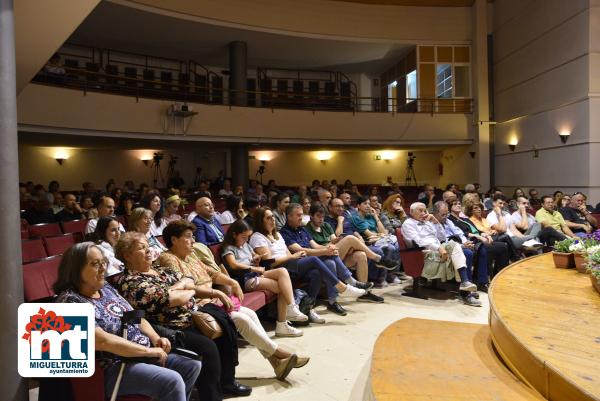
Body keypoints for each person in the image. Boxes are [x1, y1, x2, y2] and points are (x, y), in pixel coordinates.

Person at [158, 221, 309, 380]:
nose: (193, 241)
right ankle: (280, 353)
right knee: (240, 319)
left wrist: (232, 282)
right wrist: (215, 293)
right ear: (174, 240)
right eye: (188, 237)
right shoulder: (168, 259)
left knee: (250, 313)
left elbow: (212, 272)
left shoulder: (190, 256)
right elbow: (185, 289)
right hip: (196, 307)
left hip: (212, 302)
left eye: (193, 236)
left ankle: (276, 363)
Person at [54, 242, 201, 401]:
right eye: (95, 264)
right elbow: (101, 341)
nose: (103, 268)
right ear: (75, 269)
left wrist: (155, 338)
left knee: (191, 365)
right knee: (172, 381)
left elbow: (135, 315)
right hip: (110, 368)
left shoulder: (106, 289)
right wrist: (148, 351)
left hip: (137, 356)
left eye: (104, 262)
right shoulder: (69, 301)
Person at [115, 232, 250, 399]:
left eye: (148, 246)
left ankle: (227, 382)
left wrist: (206, 291)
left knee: (225, 326)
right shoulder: (130, 281)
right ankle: (211, 396)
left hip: (191, 315)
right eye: (142, 248)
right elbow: (170, 300)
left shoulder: (159, 270)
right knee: (207, 347)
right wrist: (185, 290)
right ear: (127, 255)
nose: (149, 250)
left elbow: (189, 281)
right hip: (169, 327)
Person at [221, 219, 308, 336]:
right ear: (234, 234)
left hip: (255, 274)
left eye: (248, 237)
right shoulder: (228, 248)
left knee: (282, 272)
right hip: (245, 279)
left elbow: (254, 256)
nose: (246, 240)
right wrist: (253, 268)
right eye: (243, 237)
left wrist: (257, 258)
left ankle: (291, 308)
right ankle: (283, 324)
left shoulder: (245, 245)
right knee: (282, 287)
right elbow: (233, 264)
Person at [280, 203, 369, 316]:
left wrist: (329, 248)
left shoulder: (302, 229)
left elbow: (315, 246)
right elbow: (302, 251)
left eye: (301, 215)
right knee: (318, 258)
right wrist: (325, 251)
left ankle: (324, 303)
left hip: (311, 262)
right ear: (289, 216)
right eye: (298, 215)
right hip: (296, 264)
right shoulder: (284, 232)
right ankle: (346, 285)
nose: (301, 218)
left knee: (330, 261)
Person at [305, 204, 387, 303]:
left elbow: (333, 240)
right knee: (350, 239)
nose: (321, 219)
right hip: (322, 257)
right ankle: (377, 259)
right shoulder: (307, 229)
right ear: (311, 216)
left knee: (361, 255)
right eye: (318, 216)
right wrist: (332, 245)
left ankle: (365, 293)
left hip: (334, 254)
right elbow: (314, 248)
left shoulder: (326, 225)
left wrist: (338, 240)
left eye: (323, 217)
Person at [401, 202, 478, 292]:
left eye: (425, 210)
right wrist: (438, 248)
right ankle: (464, 284)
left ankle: (464, 283)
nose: (423, 213)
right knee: (459, 249)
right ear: (411, 212)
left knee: (455, 245)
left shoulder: (427, 223)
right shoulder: (408, 224)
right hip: (423, 251)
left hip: (438, 248)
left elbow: (442, 237)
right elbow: (418, 242)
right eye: (420, 210)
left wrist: (435, 221)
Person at [432, 201, 486, 305]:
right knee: (468, 253)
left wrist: (466, 242)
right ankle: (466, 292)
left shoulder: (447, 221)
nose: (445, 217)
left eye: (447, 214)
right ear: (435, 213)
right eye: (443, 214)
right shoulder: (432, 224)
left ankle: (482, 283)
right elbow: (442, 241)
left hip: (459, 244)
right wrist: (462, 246)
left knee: (481, 248)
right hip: (445, 248)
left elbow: (459, 232)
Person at [447, 199, 510, 279]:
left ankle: (501, 274)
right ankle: (485, 277)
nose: (458, 205)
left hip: (479, 239)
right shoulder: (450, 220)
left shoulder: (464, 219)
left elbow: (476, 230)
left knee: (503, 246)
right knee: (489, 248)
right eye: (455, 204)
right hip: (470, 241)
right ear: (449, 207)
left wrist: (485, 234)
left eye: (459, 203)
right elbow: (461, 233)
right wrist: (479, 236)